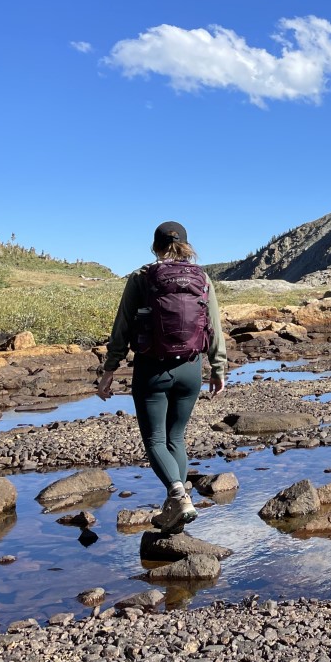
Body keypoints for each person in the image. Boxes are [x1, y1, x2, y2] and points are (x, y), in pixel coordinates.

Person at [97, 221, 227, 532]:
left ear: (155, 246)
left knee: (155, 440)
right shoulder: (202, 278)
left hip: (152, 369)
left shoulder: (142, 277)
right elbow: (214, 325)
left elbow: (123, 327)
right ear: (186, 244)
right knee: (176, 437)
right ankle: (178, 511)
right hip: (191, 369)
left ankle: (179, 495)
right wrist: (218, 368)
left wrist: (110, 369)